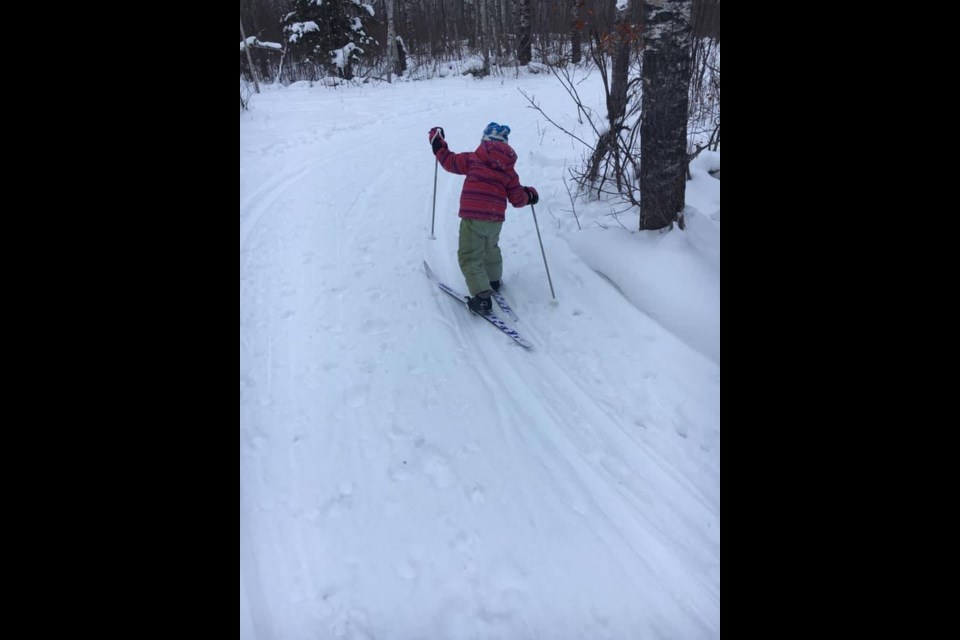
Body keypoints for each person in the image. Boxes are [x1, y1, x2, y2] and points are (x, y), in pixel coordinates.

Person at [428, 122, 539, 315]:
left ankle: (482, 298)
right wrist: (530, 195)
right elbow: (517, 198)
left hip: (473, 216)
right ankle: (494, 280)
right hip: (495, 218)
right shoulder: (509, 171)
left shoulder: (473, 159)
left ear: (484, 140)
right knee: (490, 249)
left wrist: (437, 144)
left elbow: (449, 161)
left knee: (470, 255)